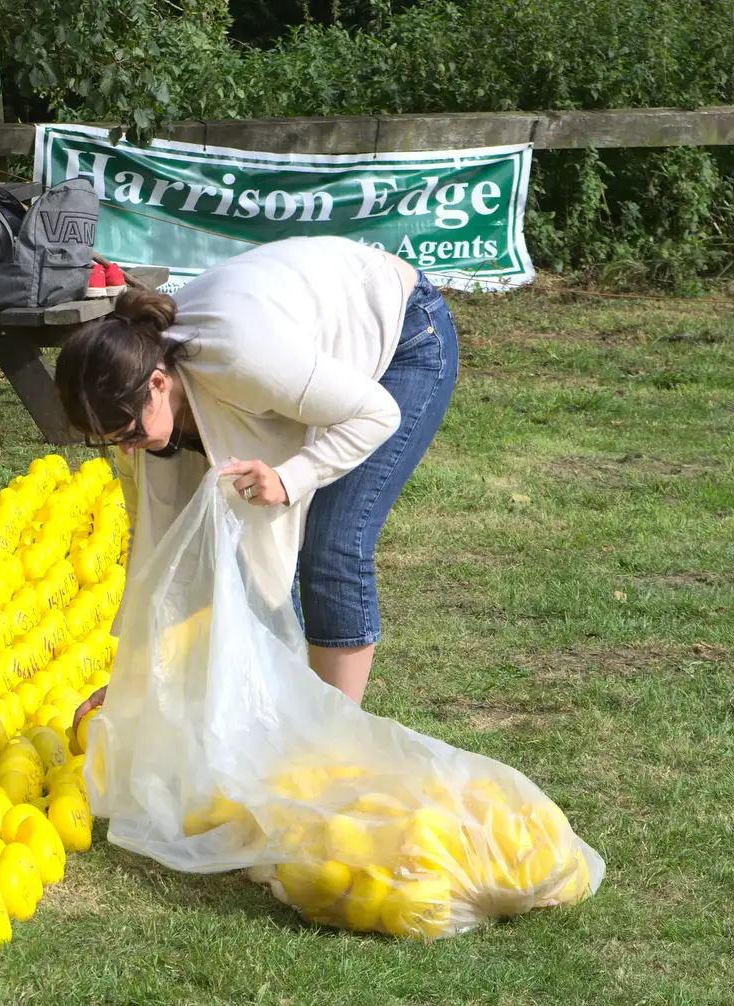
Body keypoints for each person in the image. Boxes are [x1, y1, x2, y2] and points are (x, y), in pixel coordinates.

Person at [57, 235, 458, 716]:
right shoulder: (135, 408)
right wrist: (133, 678)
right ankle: (274, 716)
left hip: (400, 337)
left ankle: (334, 735)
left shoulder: (245, 359)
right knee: (240, 548)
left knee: (332, 543)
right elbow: (159, 558)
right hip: (302, 360)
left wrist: (291, 477)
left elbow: (376, 414)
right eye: (109, 440)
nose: (124, 447)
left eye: (127, 432)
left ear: (158, 384)